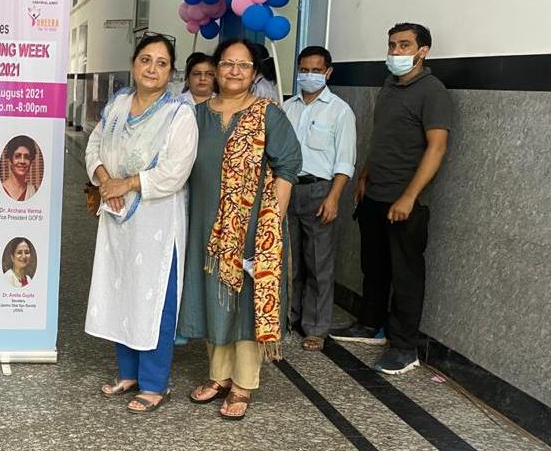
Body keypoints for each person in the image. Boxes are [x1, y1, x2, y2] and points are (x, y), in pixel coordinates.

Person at [177, 37, 301, 421]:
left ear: (254, 73)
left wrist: (271, 225)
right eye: (227, 63)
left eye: (243, 65)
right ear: (216, 69)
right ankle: (219, 376)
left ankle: (244, 383)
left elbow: (288, 167)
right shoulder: (195, 115)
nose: (234, 71)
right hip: (204, 224)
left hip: (252, 227)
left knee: (245, 303)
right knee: (213, 296)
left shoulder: (268, 114)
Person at [84, 34, 198, 414]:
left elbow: (175, 172)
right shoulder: (117, 105)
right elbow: (94, 146)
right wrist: (105, 180)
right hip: (117, 218)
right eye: (146, 60)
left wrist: (128, 183)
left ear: (171, 71)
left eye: (161, 63)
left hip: (157, 223)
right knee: (122, 292)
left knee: (154, 298)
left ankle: (154, 384)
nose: (152, 68)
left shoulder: (179, 114)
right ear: (134, 64)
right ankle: (128, 373)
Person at [330, 22, 451, 376]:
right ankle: (371, 325)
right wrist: (365, 174)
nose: (396, 52)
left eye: (404, 45)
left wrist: (410, 196)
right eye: (392, 45)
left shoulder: (432, 92)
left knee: (406, 274)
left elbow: (437, 147)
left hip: (405, 201)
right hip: (375, 194)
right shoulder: (389, 85)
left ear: (423, 50)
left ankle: (404, 347)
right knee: (374, 265)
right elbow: (383, 136)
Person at [281, 46, 357, 352]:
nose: (309, 75)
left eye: (316, 70)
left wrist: (334, 198)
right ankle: (287, 319)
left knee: (318, 263)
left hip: (320, 191)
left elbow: (345, 161)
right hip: (287, 189)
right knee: (289, 262)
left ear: (328, 73)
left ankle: (315, 327)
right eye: (304, 69)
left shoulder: (340, 111)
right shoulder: (287, 107)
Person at [1, 136, 39, 200]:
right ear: (10, 160)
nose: (22, 161)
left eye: (27, 157)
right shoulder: (0, 189)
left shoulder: (33, 191)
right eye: (17, 156)